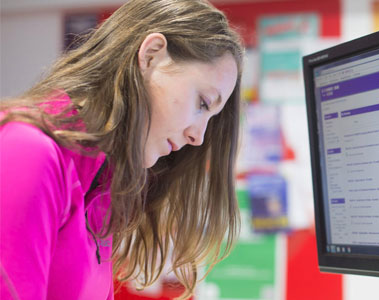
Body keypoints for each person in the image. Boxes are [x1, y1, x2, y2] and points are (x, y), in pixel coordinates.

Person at [0, 0, 244, 299]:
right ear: (152, 56)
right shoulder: (29, 151)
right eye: (202, 103)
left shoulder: (102, 185)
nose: (199, 136)